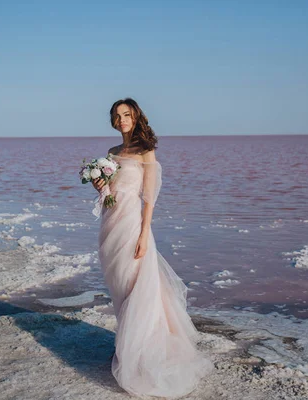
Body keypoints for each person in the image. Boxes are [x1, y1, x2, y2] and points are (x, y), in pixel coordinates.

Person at [91, 98, 213, 398]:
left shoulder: (146, 151)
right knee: (120, 286)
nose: (122, 120)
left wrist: (145, 234)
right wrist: (100, 187)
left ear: (136, 117)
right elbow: (109, 195)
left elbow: (149, 198)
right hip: (110, 224)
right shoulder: (112, 153)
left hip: (133, 224)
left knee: (138, 285)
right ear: (112, 120)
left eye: (127, 114)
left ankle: (145, 356)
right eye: (117, 115)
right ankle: (126, 347)